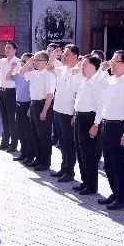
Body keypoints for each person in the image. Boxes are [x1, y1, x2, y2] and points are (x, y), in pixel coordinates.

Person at [95, 51, 124, 210]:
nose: (111, 63)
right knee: (108, 164)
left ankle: (121, 198)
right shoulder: (110, 79)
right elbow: (96, 83)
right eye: (111, 60)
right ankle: (115, 192)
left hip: (119, 126)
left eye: (115, 61)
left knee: (119, 165)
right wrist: (102, 69)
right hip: (106, 125)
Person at [73, 55, 105, 195]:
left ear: (94, 66)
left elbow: (100, 106)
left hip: (90, 120)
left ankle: (92, 186)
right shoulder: (84, 81)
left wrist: (96, 124)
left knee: (89, 154)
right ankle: (85, 182)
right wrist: (75, 115)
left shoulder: (97, 84)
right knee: (81, 152)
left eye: (85, 64)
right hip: (80, 117)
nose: (82, 67)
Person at [48, 45, 81, 182]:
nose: (64, 57)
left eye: (67, 55)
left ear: (75, 56)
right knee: (62, 142)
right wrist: (53, 55)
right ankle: (64, 167)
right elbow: (49, 67)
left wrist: (74, 114)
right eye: (63, 54)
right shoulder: (62, 69)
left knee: (69, 143)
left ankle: (70, 171)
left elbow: (78, 94)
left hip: (68, 112)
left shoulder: (79, 71)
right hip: (58, 109)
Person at [19, 51, 56, 171]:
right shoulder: (34, 73)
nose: (35, 62)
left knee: (44, 136)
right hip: (34, 104)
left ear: (45, 61)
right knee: (36, 134)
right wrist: (29, 62)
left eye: (38, 60)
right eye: (35, 60)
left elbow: (50, 95)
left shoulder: (49, 75)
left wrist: (44, 111)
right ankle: (38, 159)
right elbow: (21, 73)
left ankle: (45, 162)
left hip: (44, 105)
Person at [8, 54, 36, 164]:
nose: (23, 63)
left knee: (29, 132)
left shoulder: (33, 75)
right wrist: (12, 67)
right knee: (21, 131)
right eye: (22, 61)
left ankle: (30, 155)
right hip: (19, 105)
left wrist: (30, 107)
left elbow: (34, 94)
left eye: (26, 61)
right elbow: (8, 77)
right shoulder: (19, 74)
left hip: (28, 105)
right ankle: (23, 153)